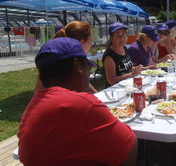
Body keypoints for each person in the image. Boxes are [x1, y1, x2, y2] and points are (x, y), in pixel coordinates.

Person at [18, 37, 138, 166]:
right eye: (88, 68)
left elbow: (25, 156)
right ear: (77, 66)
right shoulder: (84, 104)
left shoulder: (32, 107)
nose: (88, 75)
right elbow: (129, 151)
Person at [35, 21, 98, 93]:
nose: (91, 45)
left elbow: (85, 84)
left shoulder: (56, 59)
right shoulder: (70, 64)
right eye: (91, 41)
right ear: (82, 43)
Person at [103, 22, 141, 87]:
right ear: (111, 38)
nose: (122, 38)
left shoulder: (124, 48)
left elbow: (127, 68)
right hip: (116, 91)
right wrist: (131, 74)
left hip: (127, 86)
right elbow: (111, 80)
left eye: (123, 35)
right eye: (118, 36)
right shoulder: (109, 56)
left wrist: (136, 69)